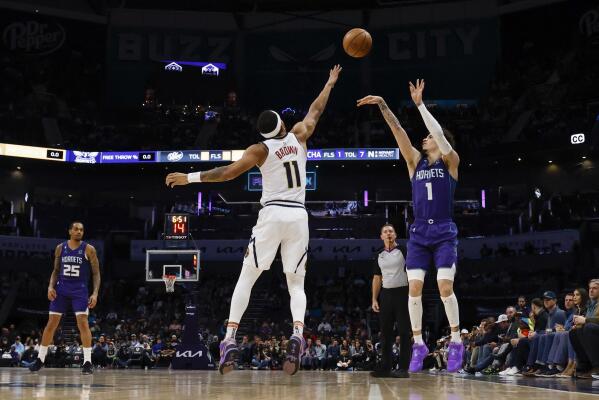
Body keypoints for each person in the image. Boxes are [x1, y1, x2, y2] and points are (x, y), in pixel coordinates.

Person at [166, 65, 343, 376]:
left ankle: (230, 338)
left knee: (247, 277)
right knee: (296, 283)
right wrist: (329, 83)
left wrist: (190, 177)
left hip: (272, 213)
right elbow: (316, 109)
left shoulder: (259, 150)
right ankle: (298, 334)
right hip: (299, 215)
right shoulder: (300, 135)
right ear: (283, 124)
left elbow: (228, 173)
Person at [357, 79, 464, 373]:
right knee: (413, 289)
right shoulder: (414, 163)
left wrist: (419, 105)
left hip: (443, 232)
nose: (424, 139)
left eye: (428, 137)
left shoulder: (451, 161)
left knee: (444, 287)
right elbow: (399, 132)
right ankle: (419, 343)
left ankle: (456, 340)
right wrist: (383, 104)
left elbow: (441, 136)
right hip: (419, 234)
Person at [29, 221, 101, 375]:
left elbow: (96, 273)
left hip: (79, 290)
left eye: (81, 229)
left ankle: (87, 361)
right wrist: (50, 287)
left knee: (82, 322)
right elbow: (55, 270)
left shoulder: (89, 249)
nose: (79, 232)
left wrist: (95, 293)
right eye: (76, 229)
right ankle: (40, 359)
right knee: (51, 323)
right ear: (70, 231)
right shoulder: (60, 248)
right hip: (61, 289)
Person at [371, 224, 410, 378]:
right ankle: (385, 368)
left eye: (391, 231)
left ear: (395, 235)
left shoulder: (404, 250)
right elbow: (376, 277)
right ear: (381, 236)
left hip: (403, 293)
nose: (388, 234)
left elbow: (413, 271)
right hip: (386, 295)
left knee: (404, 332)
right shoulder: (378, 254)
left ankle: (403, 368)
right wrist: (374, 298)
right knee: (385, 333)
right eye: (385, 232)